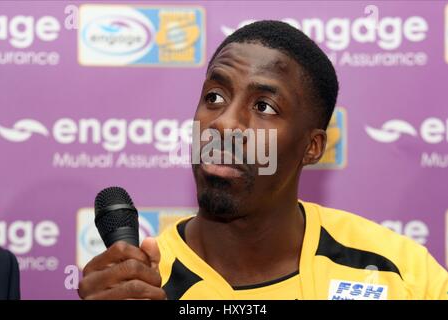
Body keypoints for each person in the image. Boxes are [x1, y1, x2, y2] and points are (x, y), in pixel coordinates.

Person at [78, 20, 448, 300]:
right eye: (215, 97)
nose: (223, 122)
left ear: (312, 147)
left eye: (263, 106)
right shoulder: (139, 286)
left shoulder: (398, 274)